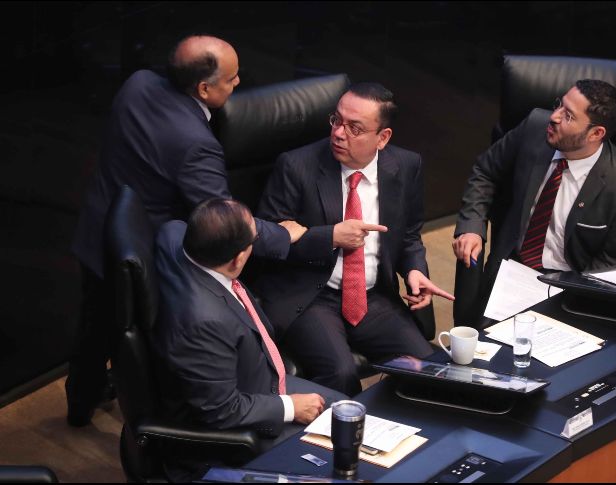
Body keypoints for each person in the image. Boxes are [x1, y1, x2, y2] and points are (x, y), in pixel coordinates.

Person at [66, 35, 305, 427]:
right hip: (146, 251)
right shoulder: (196, 144)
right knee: (143, 339)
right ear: (204, 88)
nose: (239, 83)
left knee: (91, 331)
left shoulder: (137, 83)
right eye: (231, 79)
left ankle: (79, 405)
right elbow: (221, 217)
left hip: (98, 230)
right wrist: (283, 235)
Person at [255, 82, 454, 395]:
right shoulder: (296, 166)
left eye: (354, 128)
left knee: (430, 369)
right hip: (312, 296)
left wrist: (415, 270)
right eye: (336, 120)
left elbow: (410, 235)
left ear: (382, 138)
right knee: (340, 373)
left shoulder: (406, 167)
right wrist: (330, 237)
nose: (338, 133)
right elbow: (266, 242)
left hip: (373, 296)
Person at [153, 198, 346, 481]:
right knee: (336, 457)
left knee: (348, 412)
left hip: (257, 377)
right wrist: (291, 407)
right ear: (238, 259)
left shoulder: (172, 238)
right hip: (237, 432)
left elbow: (173, 227)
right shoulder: (205, 321)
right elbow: (222, 411)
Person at [453, 79, 616, 304]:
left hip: (568, 290)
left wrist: (571, 300)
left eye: (569, 116)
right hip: (509, 271)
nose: (554, 116)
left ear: (596, 134)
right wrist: (472, 227)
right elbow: (486, 172)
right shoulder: (535, 128)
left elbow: (609, 264)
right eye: (559, 105)